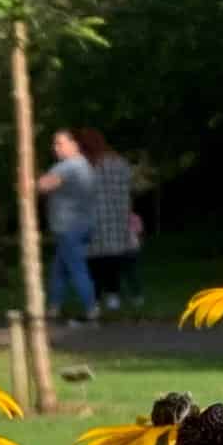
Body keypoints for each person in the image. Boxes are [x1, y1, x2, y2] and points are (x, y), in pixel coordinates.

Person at [36, 128, 98, 323]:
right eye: (54, 144)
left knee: (76, 267)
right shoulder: (84, 166)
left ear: (74, 145)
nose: (55, 148)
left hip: (69, 227)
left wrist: (30, 179)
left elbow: (43, 186)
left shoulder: (68, 167)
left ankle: (91, 308)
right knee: (59, 270)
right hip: (81, 224)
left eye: (59, 143)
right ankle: (54, 308)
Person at [78, 126, 141, 311]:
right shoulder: (120, 163)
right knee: (113, 257)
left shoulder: (86, 166)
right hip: (117, 216)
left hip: (94, 217)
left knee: (95, 262)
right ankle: (114, 296)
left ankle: (96, 298)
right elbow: (129, 188)